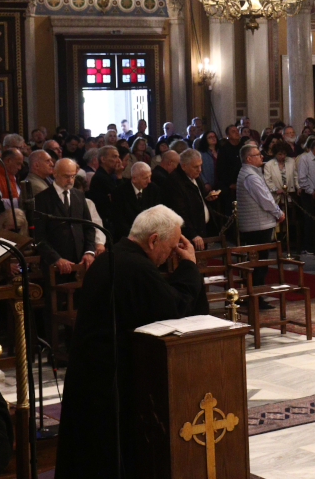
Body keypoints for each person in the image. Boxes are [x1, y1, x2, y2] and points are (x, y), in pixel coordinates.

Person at [54, 205, 207, 478]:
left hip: (90, 375)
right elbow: (174, 307)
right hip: (110, 384)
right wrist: (189, 266)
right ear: (153, 240)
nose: (172, 254)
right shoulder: (136, 267)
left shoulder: (109, 258)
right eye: (172, 247)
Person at [236, 143, 283, 308]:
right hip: (257, 226)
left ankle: (255, 297)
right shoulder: (251, 176)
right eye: (258, 155)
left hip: (256, 224)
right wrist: (278, 213)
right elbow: (265, 199)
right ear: (249, 158)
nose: (262, 156)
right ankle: (255, 298)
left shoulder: (250, 173)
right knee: (259, 265)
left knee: (258, 264)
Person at [162, 149, 217, 251]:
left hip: (201, 230)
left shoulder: (195, 176)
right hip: (188, 236)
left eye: (200, 166)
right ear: (183, 166)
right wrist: (192, 234)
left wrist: (207, 198)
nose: (199, 170)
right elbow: (179, 211)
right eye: (196, 167)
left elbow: (197, 197)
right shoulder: (174, 182)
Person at [110, 162, 159, 238]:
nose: (149, 181)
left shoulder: (153, 189)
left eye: (150, 177)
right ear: (134, 179)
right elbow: (119, 221)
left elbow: (156, 214)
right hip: (127, 235)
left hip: (148, 234)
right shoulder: (119, 192)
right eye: (145, 178)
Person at [87, 145, 121, 215]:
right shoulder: (99, 178)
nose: (118, 161)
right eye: (114, 157)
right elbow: (120, 199)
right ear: (103, 159)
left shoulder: (109, 176)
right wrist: (119, 176)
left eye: (118, 157)